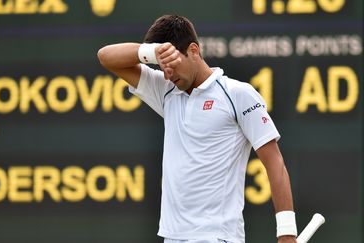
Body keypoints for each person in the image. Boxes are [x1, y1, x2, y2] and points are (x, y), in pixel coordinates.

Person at [97, 15, 297, 243]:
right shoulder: (166, 90)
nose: (167, 74)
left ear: (193, 50)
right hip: (172, 237)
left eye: (172, 65)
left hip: (217, 236)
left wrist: (287, 233)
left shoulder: (237, 94)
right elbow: (106, 57)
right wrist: (153, 53)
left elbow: (274, 163)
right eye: (162, 67)